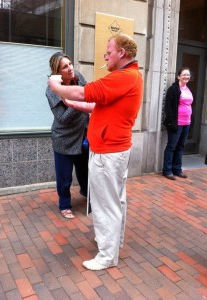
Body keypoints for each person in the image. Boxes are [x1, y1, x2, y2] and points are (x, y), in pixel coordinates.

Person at [48, 33, 143, 270]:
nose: (105, 55)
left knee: (105, 204)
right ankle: (112, 242)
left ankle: (107, 255)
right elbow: (93, 104)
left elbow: (83, 92)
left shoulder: (122, 77)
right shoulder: (128, 77)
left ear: (122, 53)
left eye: (108, 51)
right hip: (114, 150)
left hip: (108, 152)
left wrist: (54, 84)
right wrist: (72, 103)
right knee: (115, 201)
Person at [46, 52, 89, 219]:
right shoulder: (52, 90)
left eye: (70, 64)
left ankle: (86, 193)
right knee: (64, 177)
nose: (70, 68)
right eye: (65, 66)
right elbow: (62, 119)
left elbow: (88, 93)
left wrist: (79, 100)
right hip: (63, 138)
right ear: (57, 71)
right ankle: (64, 204)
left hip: (82, 136)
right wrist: (78, 102)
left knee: (85, 171)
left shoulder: (77, 76)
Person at [162, 67, 193, 180]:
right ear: (178, 76)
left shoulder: (188, 89)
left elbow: (189, 105)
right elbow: (168, 107)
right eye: (184, 74)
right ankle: (167, 170)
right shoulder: (173, 89)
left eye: (188, 75)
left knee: (180, 146)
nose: (186, 77)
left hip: (186, 123)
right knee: (172, 146)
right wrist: (171, 122)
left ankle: (177, 169)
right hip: (176, 123)